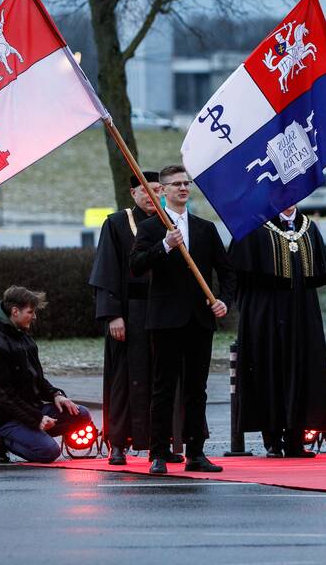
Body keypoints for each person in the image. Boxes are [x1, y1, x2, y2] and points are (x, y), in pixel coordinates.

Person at [130, 165, 236, 475]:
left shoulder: (205, 228)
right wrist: (165, 246)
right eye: (175, 184)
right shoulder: (151, 229)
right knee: (163, 388)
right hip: (165, 320)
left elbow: (227, 271)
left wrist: (224, 302)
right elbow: (135, 266)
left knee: (196, 389)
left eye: (186, 183)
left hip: (199, 320)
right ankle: (159, 453)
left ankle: (196, 452)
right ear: (162, 190)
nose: (183, 187)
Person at [89, 171, 186, 466]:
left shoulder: (169, 225)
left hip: (164, 311)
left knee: (163, 378)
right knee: (124, 380)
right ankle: (117, 442)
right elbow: (105, 271)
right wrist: (112, 315)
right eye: (144, 190)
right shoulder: (117, 224)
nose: (150, 195)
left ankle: (162, 442)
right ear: (133, 193)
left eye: (156, 189)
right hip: (130, 312)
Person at [229, 204, 326, 458]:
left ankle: (296, 439)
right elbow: (237, 274)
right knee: (269, 369)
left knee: (301, 370)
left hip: (302, 312)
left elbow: (317, 275)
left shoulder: (308, 227)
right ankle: (273, 440)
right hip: (265, 312)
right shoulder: (254, 225)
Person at [0, 286, 93, 464]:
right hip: (6, 419)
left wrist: (56, 395)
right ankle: (2, 439)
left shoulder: (25, 339)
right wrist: (36, 419)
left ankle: (30, 435)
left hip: (32, 409)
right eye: (30, 312)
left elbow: (37, 378)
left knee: (81, 415)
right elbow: (4, 397)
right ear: (15, 311)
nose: (35, 316)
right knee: (49, 452)